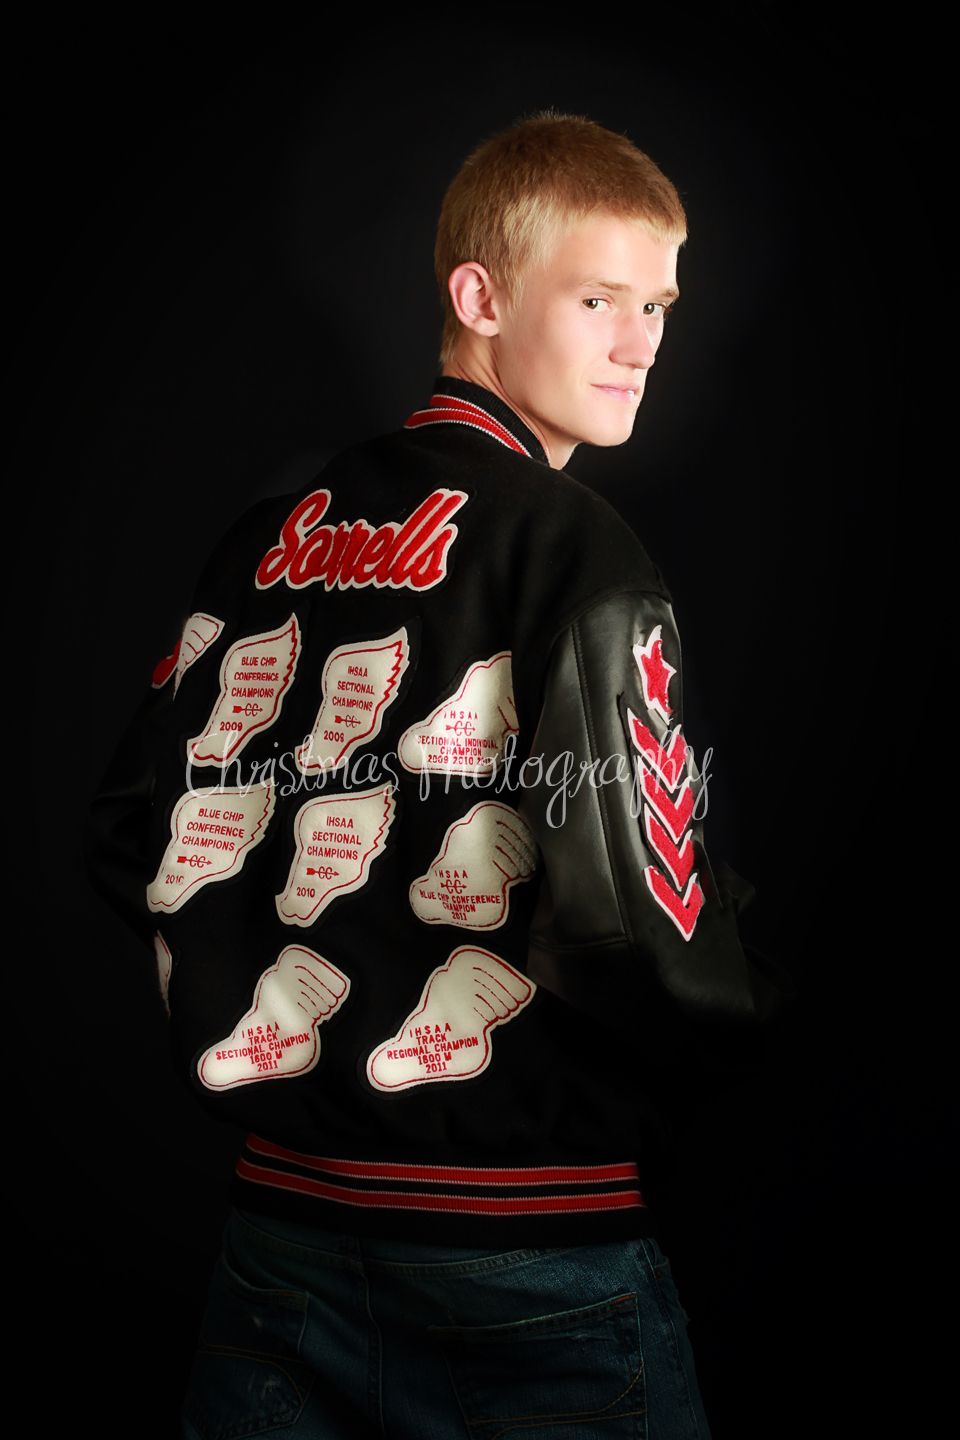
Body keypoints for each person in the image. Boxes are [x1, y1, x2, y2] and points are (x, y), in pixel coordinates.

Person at [85, 111, 791, 1439]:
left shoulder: (266, 539)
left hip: (282, 1233)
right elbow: (638, 920)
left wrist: (267, 1006)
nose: (642, 343)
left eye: (657, 305)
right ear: (480, 298)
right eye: (599, 299)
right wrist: (740, 1026)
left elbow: (135, 828)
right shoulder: (576, 547)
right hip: (528, 1249)